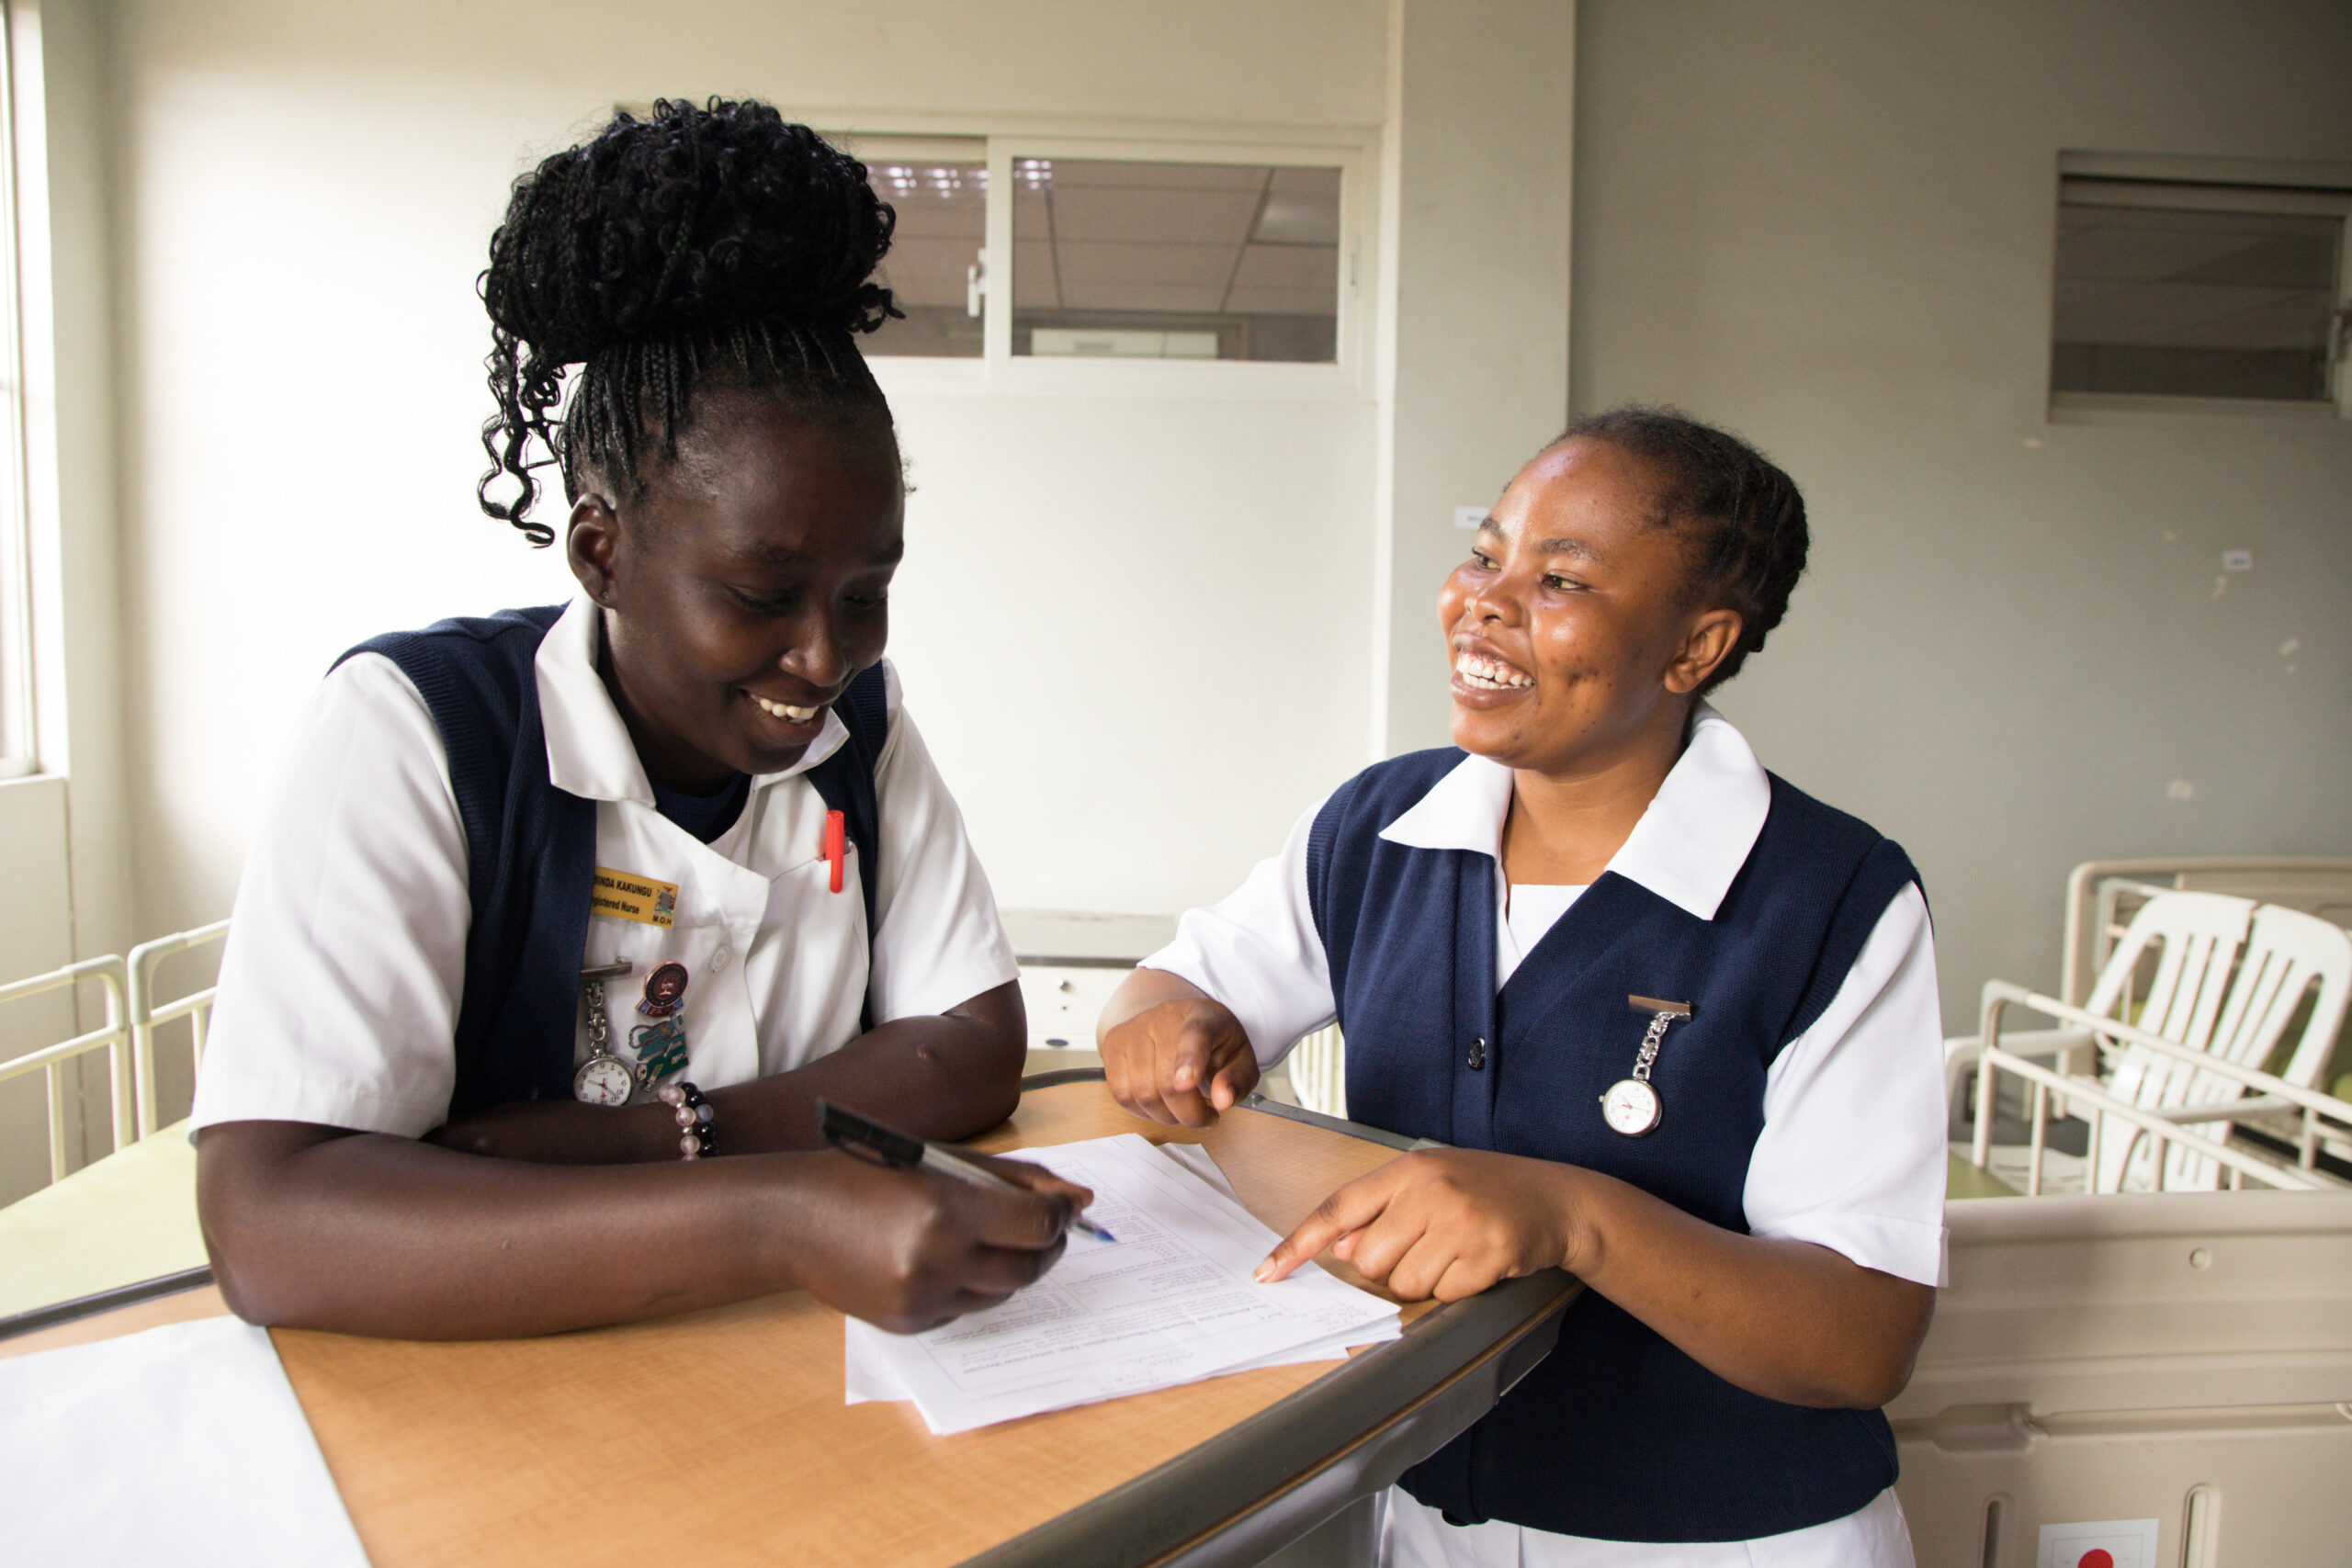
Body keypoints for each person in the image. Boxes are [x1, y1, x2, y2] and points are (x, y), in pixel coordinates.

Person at [191, 99, 1088, 1341]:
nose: (826, 655)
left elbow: (974, 1043)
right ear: (602, 550)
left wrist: (655, 1138)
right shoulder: (419, 731)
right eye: (762, 595)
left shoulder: (862, 730)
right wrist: (780, 1211)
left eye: (865, 592)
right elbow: (274, 1221)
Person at [1100, 410, 1945, 1565]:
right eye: (1484, 554)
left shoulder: (1827, 897)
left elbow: (1860, 1339)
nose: (1483, 603)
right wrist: (1163, 1023)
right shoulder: (1382, 826)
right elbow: (1170, 991)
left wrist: (1572, 1219)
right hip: (1422, 1512)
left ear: (1694, 647)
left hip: (1718, 1538)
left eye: (1561, 580)